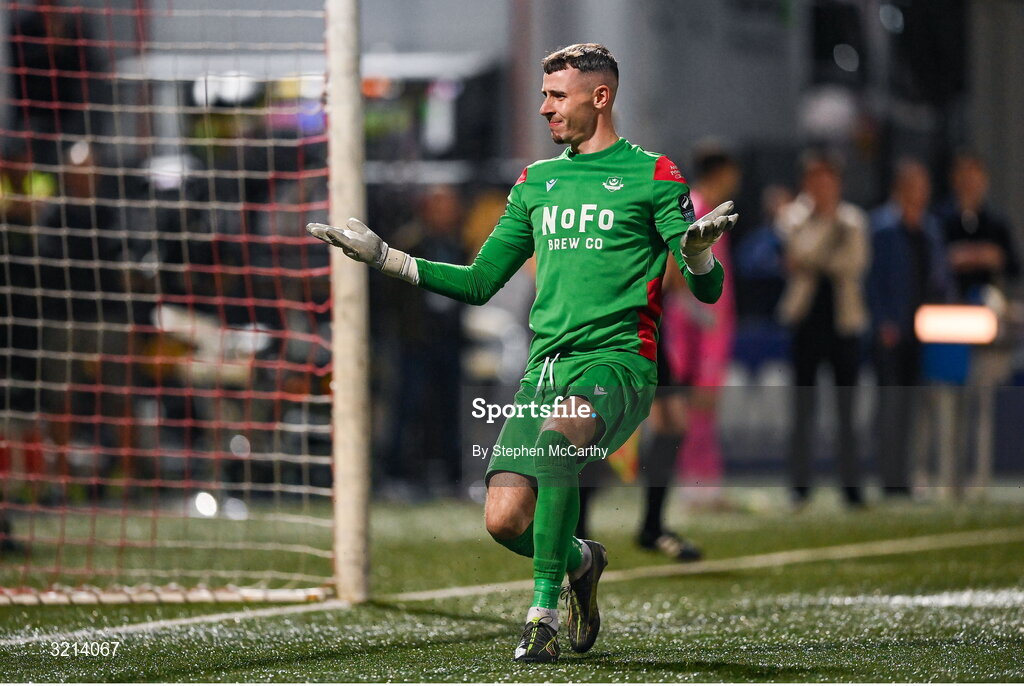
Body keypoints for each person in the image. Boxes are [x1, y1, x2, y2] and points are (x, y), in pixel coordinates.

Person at [306, 43, 737, 663]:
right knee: (504, 520)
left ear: (601, 96)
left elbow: (706, 289)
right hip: (547, 369)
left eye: (557, 96)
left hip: (619, 362)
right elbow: (480, 282)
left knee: (560, 446)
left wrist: (696, 254)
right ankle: (583, 561)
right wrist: (385, 257)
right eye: (544, 95)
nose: (544, 108)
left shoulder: (654, 174)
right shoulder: (537, 183)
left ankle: (542, 617)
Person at [777, 149, 869, 508]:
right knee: (803, 409)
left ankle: (852, 488)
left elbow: (853, 263)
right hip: (805, 321)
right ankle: (800, 487)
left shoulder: (854, 220)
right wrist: (823, 249)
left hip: (844, 322)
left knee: (847, 412)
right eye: (815, 179)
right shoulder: (795, 218)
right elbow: (794, 251)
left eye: (827, 179)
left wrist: (812, 259)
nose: (821, 186)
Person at [868, 159, 952, 497]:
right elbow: (872, 281)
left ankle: (907, 475)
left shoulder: (931, 229)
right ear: (900, 188)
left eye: (923, 186)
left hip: (925, 330)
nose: (919, 193)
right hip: (892, 331)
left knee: (916, 409)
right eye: (913, 186)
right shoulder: (881, 227)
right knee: (890, 407)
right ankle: (889, 479)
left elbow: (939, 277)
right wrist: (882, 321)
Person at [938, 152, 1020, 301]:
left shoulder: (996, 223)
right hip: (947, 302)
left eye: (974, 178)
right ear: (954, 179)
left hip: (986, 302)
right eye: (965, 177)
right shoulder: (939, 220)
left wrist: (996, 257)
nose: (970, 184)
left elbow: (1014, 268)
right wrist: (954, 258)